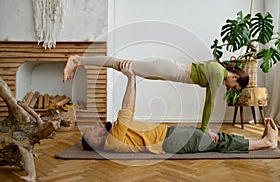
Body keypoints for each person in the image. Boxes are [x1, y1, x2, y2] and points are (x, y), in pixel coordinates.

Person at [81, 60, 277, 154]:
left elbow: (127, 111)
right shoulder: (112, 141)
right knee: (217, 140)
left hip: (168, 133)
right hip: (168, 142)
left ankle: (258, 140)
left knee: (209, 135)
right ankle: (266, 143)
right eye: (92, 130)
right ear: (98, 139)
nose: (95, 126)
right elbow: (127, 109)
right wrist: (131, 76)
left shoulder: (114, 132)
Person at [63, 54, 249, 132]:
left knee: (124, 67)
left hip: (167, 72)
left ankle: (79, 61)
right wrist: (203, 129)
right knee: (120, 65)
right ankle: (78, 60)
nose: (230, 88)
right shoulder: (218, 73)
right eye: (234, 87)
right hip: (167, 70)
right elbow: (210, 102)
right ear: (235, 78)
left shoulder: (217, 69)